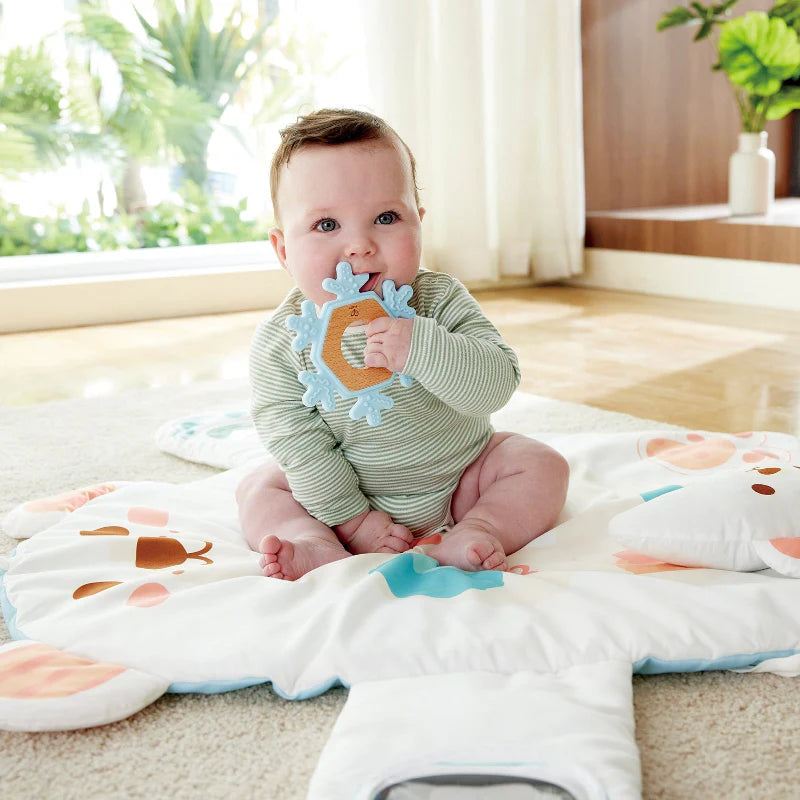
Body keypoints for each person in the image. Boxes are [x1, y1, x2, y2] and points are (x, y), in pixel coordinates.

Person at [236, 108, 569, 580]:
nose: (360, 246)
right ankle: (314, 543)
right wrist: (351, 518)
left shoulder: (438, 300)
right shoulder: (281, 342)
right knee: (260, 488)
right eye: (327, 225)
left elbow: (497, 385)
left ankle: (480, 529)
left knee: (540, 464)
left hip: (462, 478)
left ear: (419, 224)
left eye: (386, 217)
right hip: (345, 494)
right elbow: (297, 441)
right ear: (283, 250)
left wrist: (423, 348)